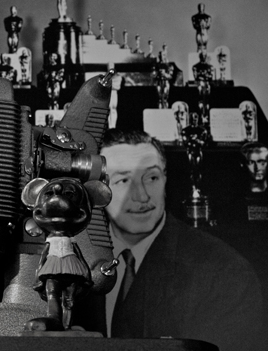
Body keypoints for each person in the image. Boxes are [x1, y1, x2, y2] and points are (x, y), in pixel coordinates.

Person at [73, 129, 265, 351]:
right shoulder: (72, 260)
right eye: (123, 180)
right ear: (96, 190)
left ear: (165, 179)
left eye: (151, 178)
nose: (142, 195)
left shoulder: (224, 271)